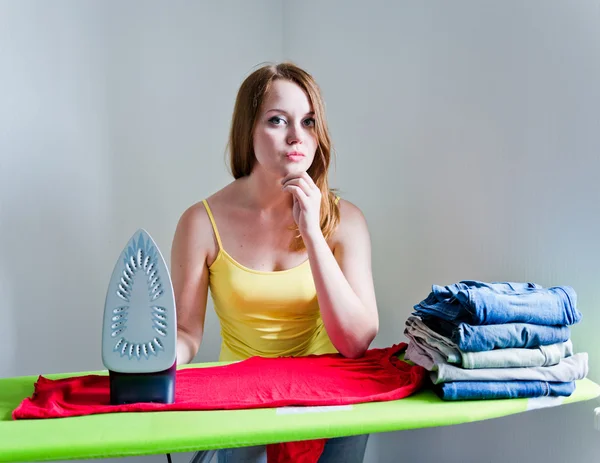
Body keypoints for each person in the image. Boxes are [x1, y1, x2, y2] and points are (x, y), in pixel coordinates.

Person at [171, 62, 379, 463]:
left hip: (331, 402)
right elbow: (185, 332)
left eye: (308, 121)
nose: (296, 137)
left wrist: (313, 233)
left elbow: (355, 342)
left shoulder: (346, 221)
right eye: (277, 120)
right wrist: (157, 363)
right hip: (241, 405)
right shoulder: (200, 222)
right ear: (247, 130)